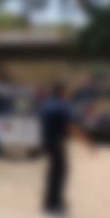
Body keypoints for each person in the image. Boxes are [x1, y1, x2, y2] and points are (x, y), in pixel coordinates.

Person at [39, 83, 94, 215]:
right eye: (68, 92)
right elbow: (71, 127)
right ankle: (55, 203)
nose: (69, 95)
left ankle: (49, 202)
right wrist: (88, 144)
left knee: (54, 172)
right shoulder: (61, 106)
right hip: (56, 142)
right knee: (61, 172)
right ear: (62, 92)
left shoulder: (48, 103)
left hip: (47, 141)